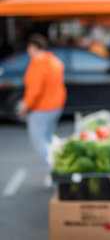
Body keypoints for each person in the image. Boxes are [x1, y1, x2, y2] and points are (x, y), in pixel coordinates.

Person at [19, 34, 66, 186]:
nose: (28, 51)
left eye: (28, 48)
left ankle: (53, 171)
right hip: (56, 106)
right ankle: (57, 167)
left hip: (41, 108)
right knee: (48, 139)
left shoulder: (38, 64)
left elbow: (35, 90)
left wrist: (25, 107)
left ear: (33, 47)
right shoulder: (54, 61)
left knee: (40, 141)